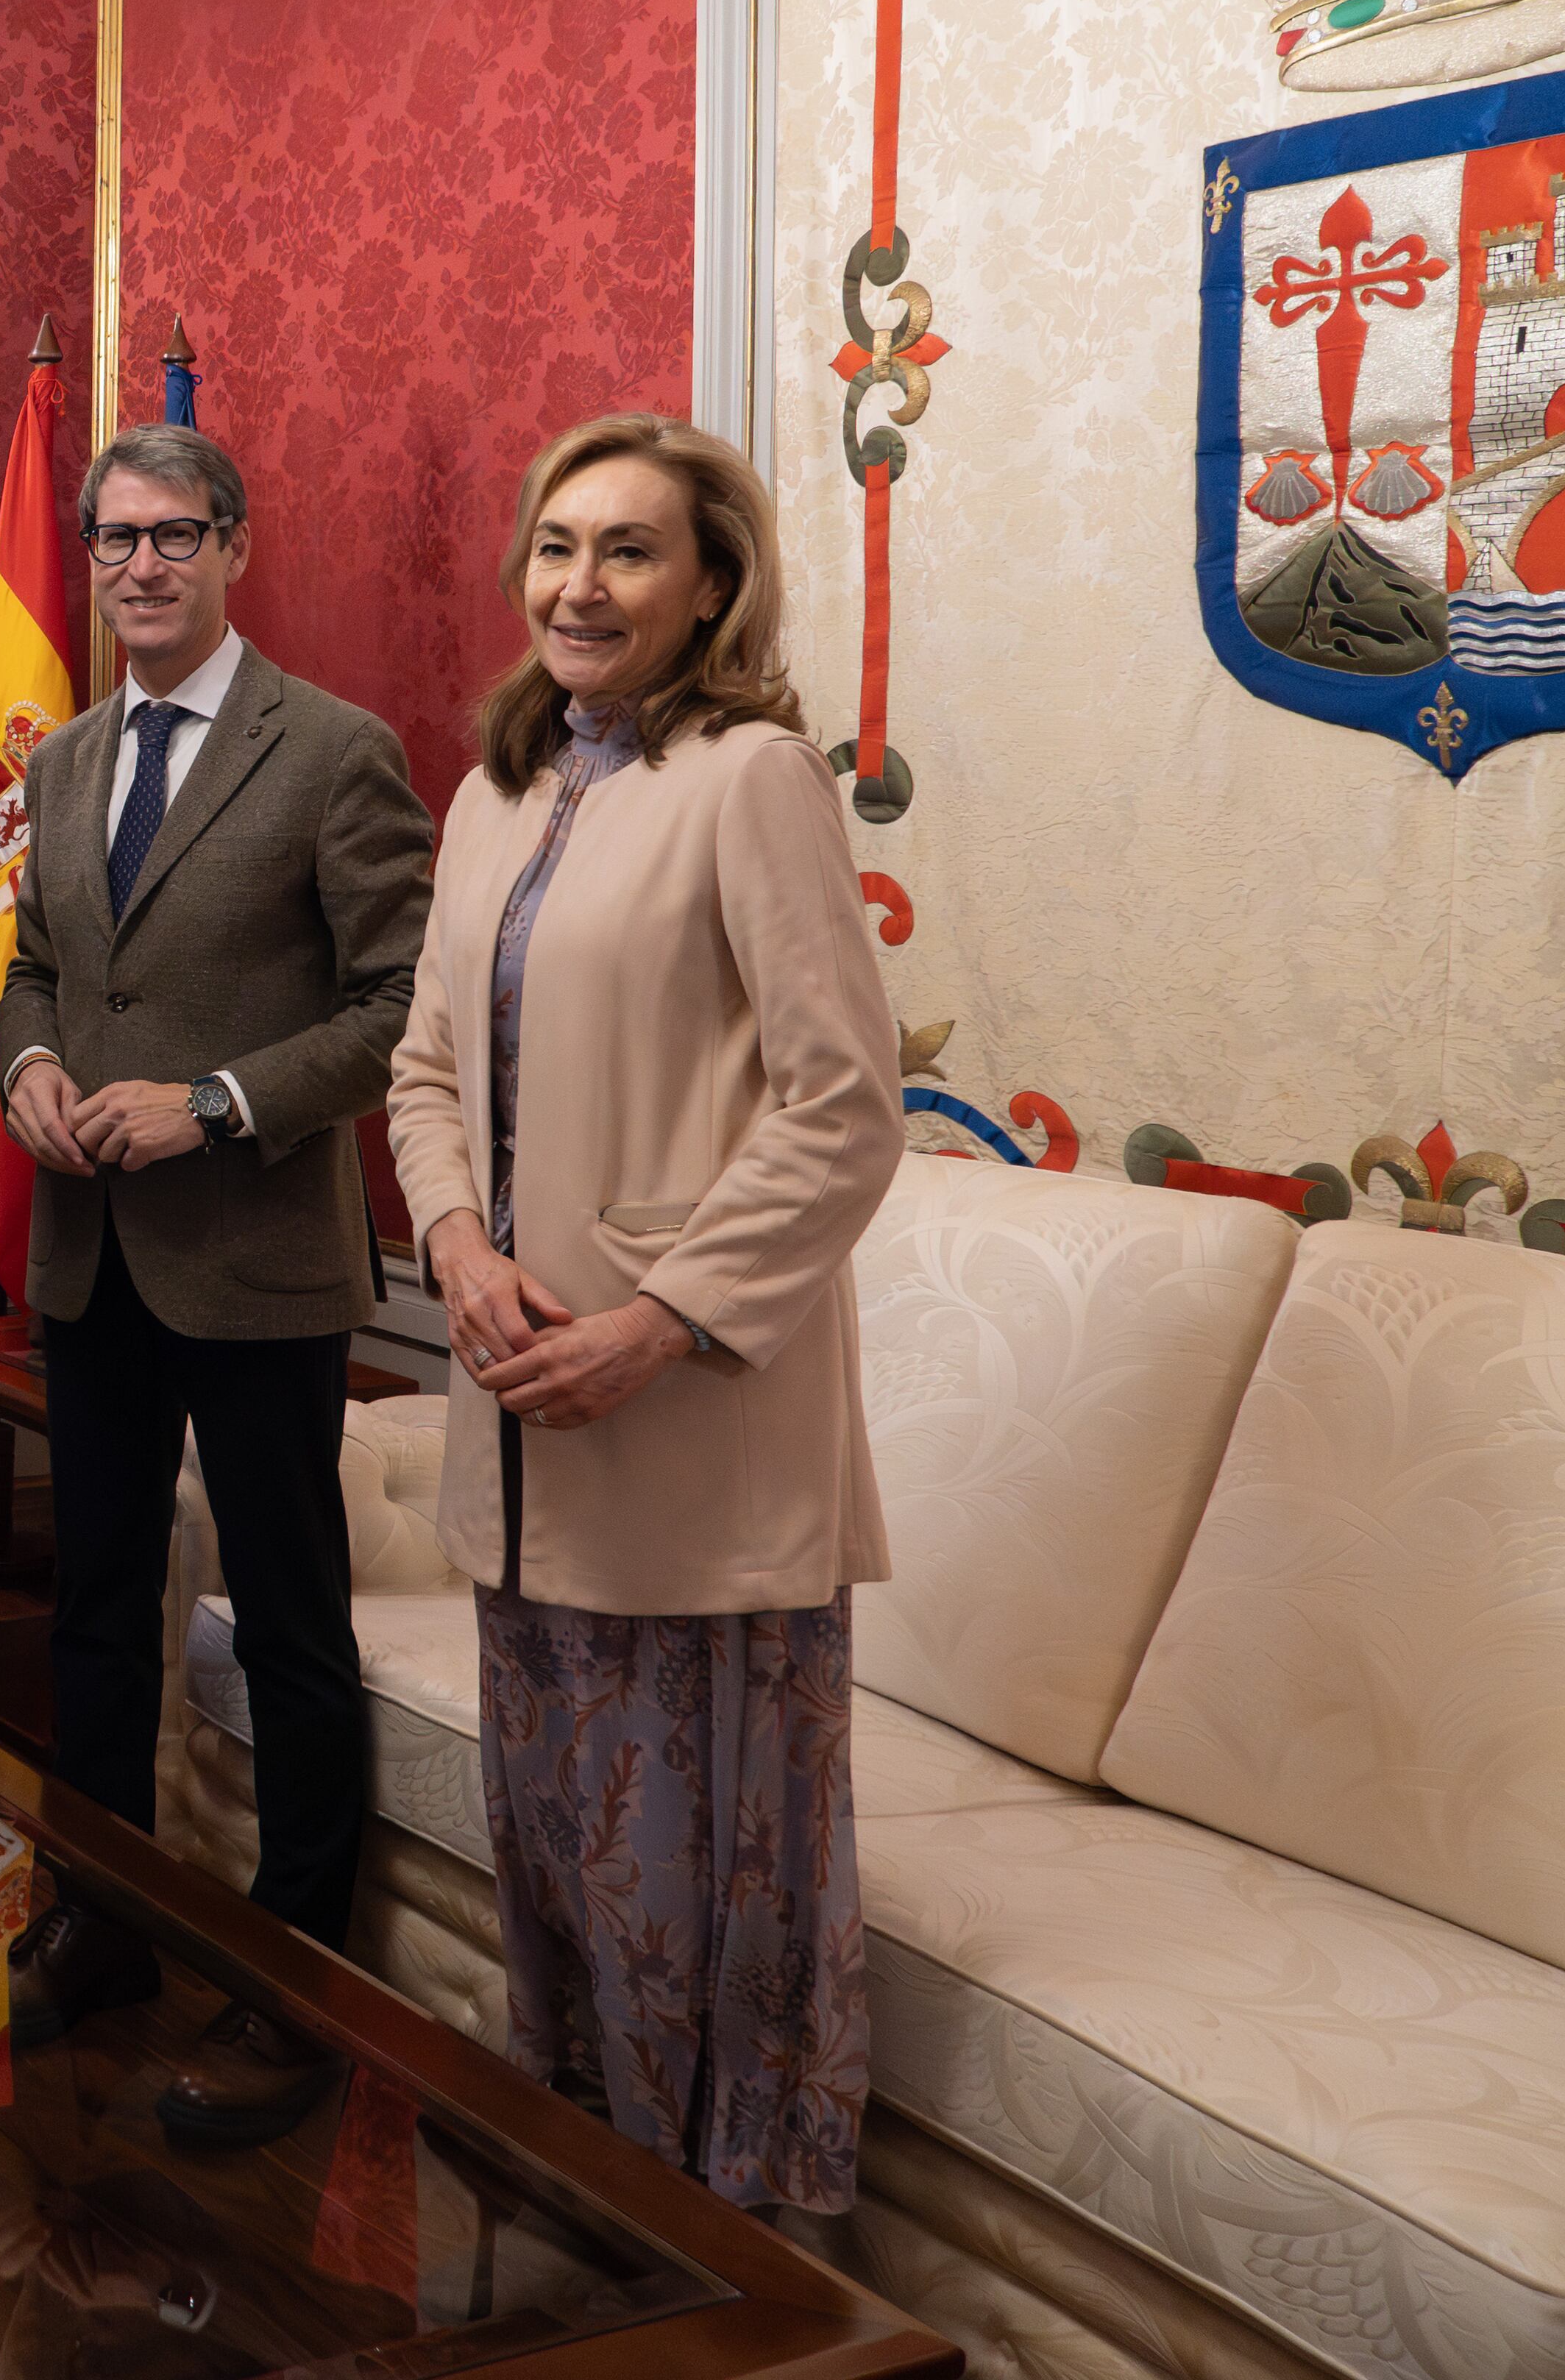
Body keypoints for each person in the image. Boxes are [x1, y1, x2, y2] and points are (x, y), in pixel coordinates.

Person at [382, 412, 899, 2214]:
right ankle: (586, 2168)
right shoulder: (495, 790)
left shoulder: (753, 777)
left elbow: (844, 1103)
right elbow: (425, 1066)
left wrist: (659, 1318)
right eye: (556, 545)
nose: (579, 585)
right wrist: (455, 1244)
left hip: (690, 1417)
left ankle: (737, 2222)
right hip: (519, 1403)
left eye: (627, 550)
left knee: (699, 1855)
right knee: (560, 1824)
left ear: (707, 586)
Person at [0, 422, 433, 2150]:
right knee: (95, 1611)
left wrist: (219, 1100)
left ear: (234, 546)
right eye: (114, 539)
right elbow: (39, 967)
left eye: (174, 534)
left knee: (289, 1623)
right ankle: (101, 1915)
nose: (141, 566)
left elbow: (402, 1004)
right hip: (91, 1252)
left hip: (256, 1257)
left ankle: (290, 1982)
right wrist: (33, 1066)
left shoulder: (330, 748)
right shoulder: (62, 758)